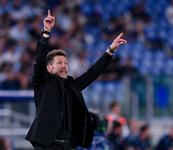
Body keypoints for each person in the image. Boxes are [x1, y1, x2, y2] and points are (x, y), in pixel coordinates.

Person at [25, 10, 127, 150]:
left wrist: (109, 51)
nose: (64, 66)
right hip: (46, 146)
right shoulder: (42, 82)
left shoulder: (71, 85)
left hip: (67, 146)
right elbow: (40, 60)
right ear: (49, 68)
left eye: (66, 63)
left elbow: (92, 73)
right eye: (59, 63)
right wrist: (46, 32)